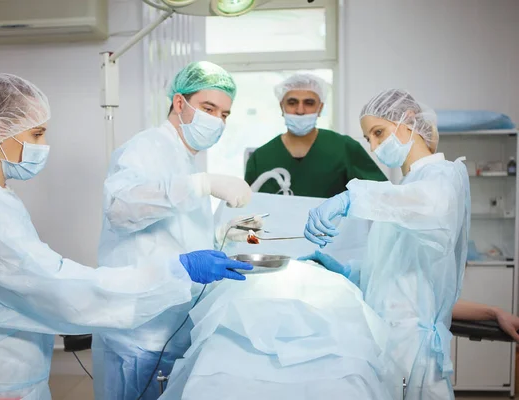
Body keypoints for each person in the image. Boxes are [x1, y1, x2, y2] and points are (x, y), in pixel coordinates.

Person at [0, 73, 253, 400]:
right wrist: (176, 271)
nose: (44, 146)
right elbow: (55, 283)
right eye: (37, 134)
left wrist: (219, 233)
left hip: (11, 371)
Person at [92, 61, 259, 400]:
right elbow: (120, 209)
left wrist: (225, 232)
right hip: (142, 330)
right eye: (208, 108)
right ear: (180, 103)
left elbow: (173, 230)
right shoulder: (146, 148)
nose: (217, 120)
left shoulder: (184, 158)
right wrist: (202, 184)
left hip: (170, 322)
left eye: (225, 114)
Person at [302, 89, 471, 399]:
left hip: (413, 350)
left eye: (378, 133)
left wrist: (351, 197)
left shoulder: (442, 176)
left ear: (407, 121)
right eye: (369, 139)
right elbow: (397, 266)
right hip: (393, 340)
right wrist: (350, 273)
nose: (375, 146)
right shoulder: (407, 186)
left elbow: (431, 207)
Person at [245, 73, 386, 197]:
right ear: (282, 107)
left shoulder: (344, 148)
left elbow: (382, 196)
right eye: (292, 102)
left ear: (320, 108)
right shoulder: (261, 157)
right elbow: (247, 208)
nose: (300, 110)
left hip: (333, 227)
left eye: (309, 103)